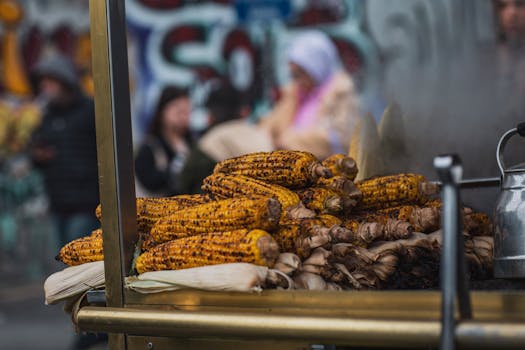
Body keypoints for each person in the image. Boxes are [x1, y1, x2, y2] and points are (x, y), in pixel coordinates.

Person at [29, 54, 100, 248]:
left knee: (76, 259)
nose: (45, 87)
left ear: (65, 81)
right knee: (62, 259)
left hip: (85, 204)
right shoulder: (45, 116)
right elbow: (36, 151)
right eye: (43, 82)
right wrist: (38, 157)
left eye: (51, 81)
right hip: (57, 202)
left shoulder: (89, 110)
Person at [260, 30, 361, 160]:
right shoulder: (294, 93)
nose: (296, 80)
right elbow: (271, 124)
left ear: (316, 68)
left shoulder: (341, 93)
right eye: (293, 74)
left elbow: (341, 139)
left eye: (300, 73)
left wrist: (289, 142)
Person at [179, 80, 273, 194]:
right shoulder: (260, 134)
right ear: (244, 112)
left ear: (211, 116)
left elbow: (185, 181)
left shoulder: (211, 139)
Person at [134, 86, 192, 197]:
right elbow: (148, 181)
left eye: (187, 112)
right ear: (162, 111)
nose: (183, 117)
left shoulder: (194, 144)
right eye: (178, 111)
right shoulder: (150, 147)